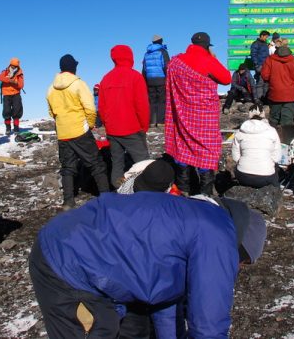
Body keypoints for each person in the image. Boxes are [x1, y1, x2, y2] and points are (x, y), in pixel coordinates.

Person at [29, 191, 267, 338]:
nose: (237, 270)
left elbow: (165, 301)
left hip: (85, 252)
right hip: (65, 260)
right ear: (239, 246)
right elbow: (209, 326)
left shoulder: (196, 219)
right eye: (242, 263)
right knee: (98, 331)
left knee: (122, 328)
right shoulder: (217, 235)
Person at [165, 32, 232, 196]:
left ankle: (183, 189)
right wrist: (213, 58)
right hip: (204, 116)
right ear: (207, 46)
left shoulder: (176, 62)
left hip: (182, 113)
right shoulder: (208, 60)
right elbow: (226, 78)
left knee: (183, 144)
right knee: (206, 149)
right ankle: (205, 194)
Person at [47, 54, 110, 210]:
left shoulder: (51, 88)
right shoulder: (78, 84)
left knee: (67, 167)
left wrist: (62, 122)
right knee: (96, 164)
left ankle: (68, 201)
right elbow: (90, 108)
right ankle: (107, 197)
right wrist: (88, 124)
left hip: (63, 132)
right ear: (73, 67)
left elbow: (51, 112)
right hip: (79, 130)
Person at [98, 45, 150, 187]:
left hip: (113, 130)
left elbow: (101, 107)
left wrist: (107, 124)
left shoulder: (106, 78)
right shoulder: (135, 77)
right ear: (130, 57)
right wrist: (143, 126)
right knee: (143, 163)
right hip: (132, 128)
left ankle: (118, 192)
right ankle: (147, 192)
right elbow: (142, 106)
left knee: (117, 164)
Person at [231, 104, 282, 188]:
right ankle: (276, 191)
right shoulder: (272, 131)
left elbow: (235, 156)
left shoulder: (240, 131)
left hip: (243, 176)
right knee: (275, 168)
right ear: (263, 114)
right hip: (266, 177)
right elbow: (277, 157)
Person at [261, 45, 294, 126]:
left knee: (274, 118)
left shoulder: (270, 59)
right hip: (289, 94)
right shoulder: (293, 60)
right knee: (287, 119)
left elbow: (265, 75)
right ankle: (285, 137)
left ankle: (273, 137)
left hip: (275, 93)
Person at [141, 34, 170, 127]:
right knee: (162, 100)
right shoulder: (163, 51)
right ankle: (161, 122)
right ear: (161, 41)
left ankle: (152, 121)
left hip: (150, 80)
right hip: (161, 79)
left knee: (151, 101)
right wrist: (168, 78)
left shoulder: (147, 53)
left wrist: (145, 80)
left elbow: (144, 68)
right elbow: (166, 66)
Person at [0, 58, 24, 134]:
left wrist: (15, 83)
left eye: (15, 65)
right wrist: (9, 80)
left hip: (16, 94)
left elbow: (21, 85)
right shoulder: (5, 71)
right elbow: (0, 77)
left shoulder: (20, 73)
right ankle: (8, 128)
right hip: (6, 94)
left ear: (18, 65)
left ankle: (16, 128)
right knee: (6, 111)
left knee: (17, 111)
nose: (13, 67)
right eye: (12, 65)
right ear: (10, 64)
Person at [250, 30, 271, 103]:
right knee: (260, 82)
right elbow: (253, 54)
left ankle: (265, 98)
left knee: (266, 82)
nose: (266, 38)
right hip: (260, 65)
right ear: (262, 36)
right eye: (266, 37)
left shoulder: (265, 44)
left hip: (267, 66)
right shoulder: (256, 44)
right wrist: (257, 65)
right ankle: (259, 99)